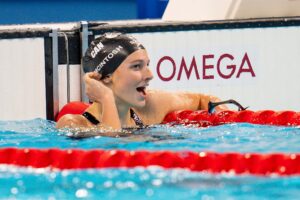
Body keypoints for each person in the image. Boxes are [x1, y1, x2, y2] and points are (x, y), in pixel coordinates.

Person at [56, 32, 227, 130]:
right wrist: (106, 97)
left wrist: (222, 112)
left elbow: (202, 99)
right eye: (137, 67)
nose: (150, 75)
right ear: (106, 77)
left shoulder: (150, 107)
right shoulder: (72, 124)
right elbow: (110, 148)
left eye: (147, 65)